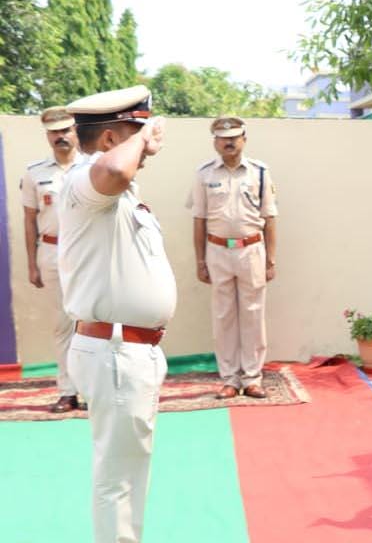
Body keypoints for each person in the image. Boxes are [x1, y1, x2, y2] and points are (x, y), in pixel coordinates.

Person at [58, 85, 176, 543]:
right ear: (110, 138)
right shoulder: (86, 178)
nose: (146, 147)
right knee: (118, 480)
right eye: (134, 131)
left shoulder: (119, 195)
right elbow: (113, 169)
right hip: (115, 350)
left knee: (128, 473)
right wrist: (142, 139)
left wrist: (138, 137)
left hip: (128, 349)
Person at [188, 117, 278, 399]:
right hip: (217, 251)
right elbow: (199, 220)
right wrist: (200, 261)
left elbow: (269, 217)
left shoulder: (259, 172)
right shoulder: (204, 174)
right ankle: (229, 378)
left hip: (251, 250)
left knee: (253, 315)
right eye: (223, 138)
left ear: (244, 140)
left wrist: (270, 260)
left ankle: (252, 378)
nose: (229, 142)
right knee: (223, 316)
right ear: (215, 142)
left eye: (234, 137)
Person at [21, 106, 82, 413]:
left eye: (65, 130)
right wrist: (32, 264)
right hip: (52, 251)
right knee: (62, 324)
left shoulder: (93, 166)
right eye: (54, 132)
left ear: (75, 131)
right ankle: (68, 392)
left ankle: (93, 390)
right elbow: (29, 220)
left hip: (88, 252)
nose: (61, 136)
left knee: (93, 323)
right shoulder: (35, 172)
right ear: (47, 136)